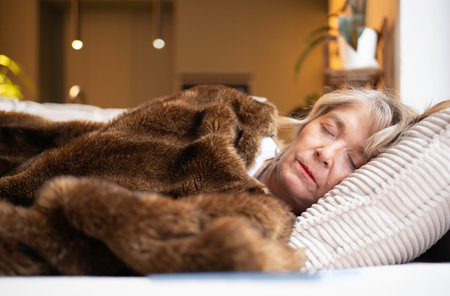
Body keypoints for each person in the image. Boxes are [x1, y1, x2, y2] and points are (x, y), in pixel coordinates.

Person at [252, 88, 418, 215]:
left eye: (353, 161)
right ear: (310, 121)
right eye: (328, 129)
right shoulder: (237, 135)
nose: (325, 154)